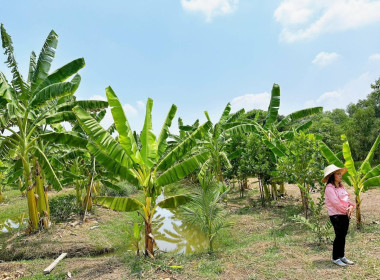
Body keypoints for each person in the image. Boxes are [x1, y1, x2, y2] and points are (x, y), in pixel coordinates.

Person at [322, 164, 355, 267]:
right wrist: (346, 210)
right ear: (332, 175)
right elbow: (335, 203)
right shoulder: (329, 188)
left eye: (341, 174)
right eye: (338, 174)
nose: (340, 176)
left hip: (345, 214)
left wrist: (351, 206)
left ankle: (342, 256)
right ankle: (335, 258)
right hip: (336, 215)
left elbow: (347, 199)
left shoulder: (341, 187)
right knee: (339, 235)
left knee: (343, 236)